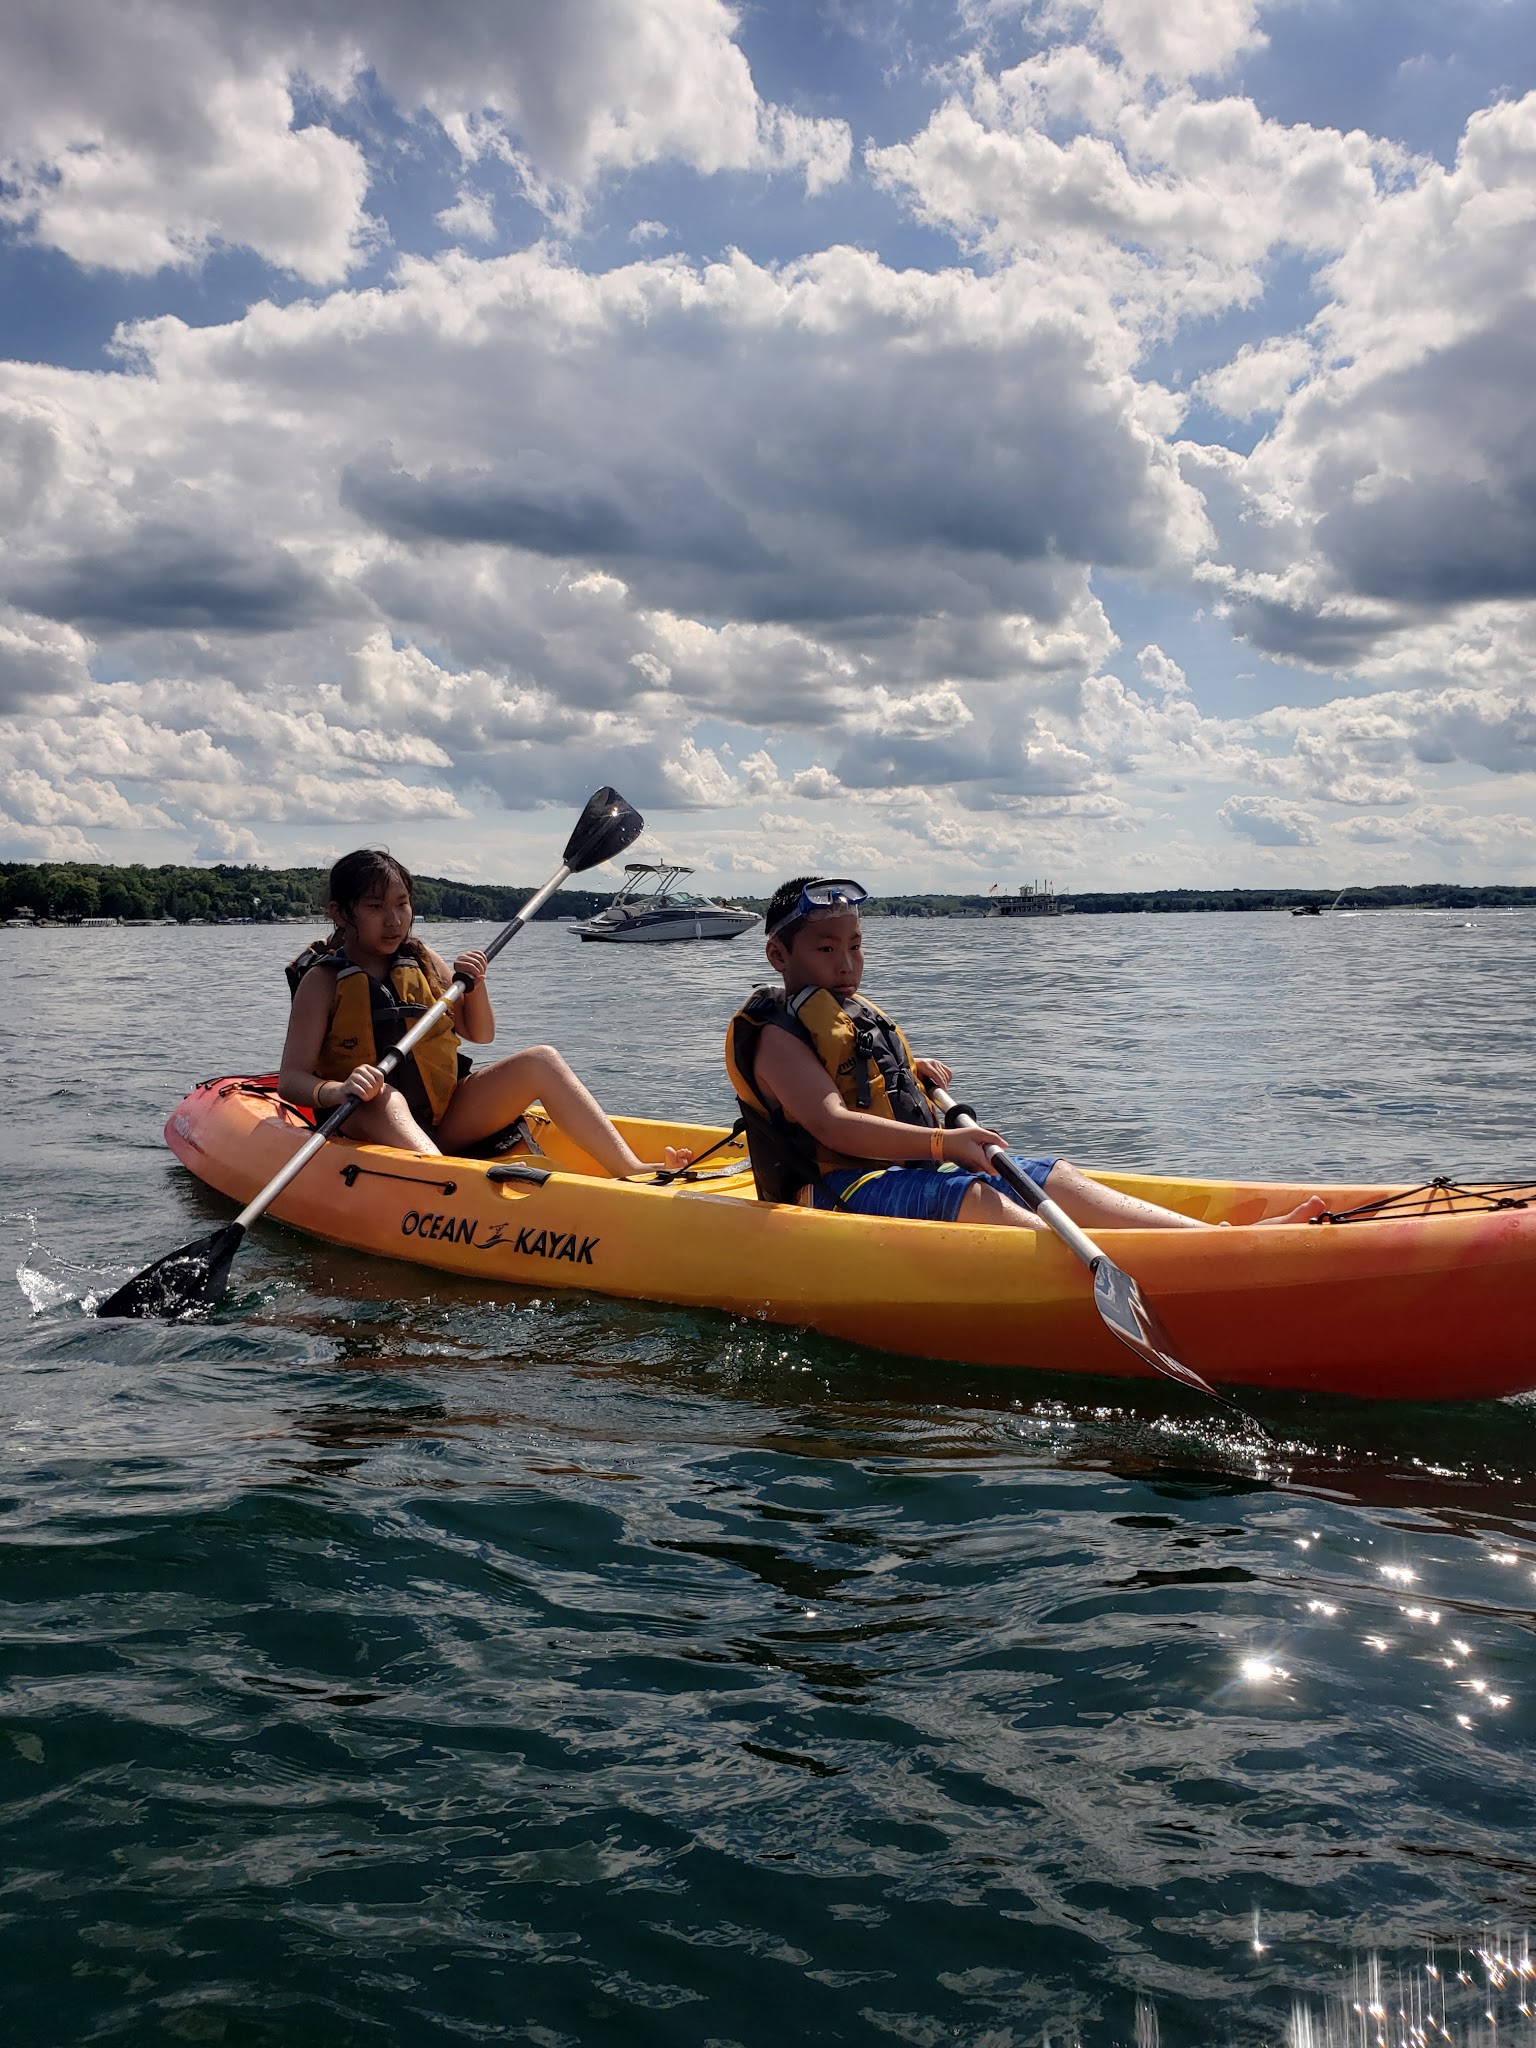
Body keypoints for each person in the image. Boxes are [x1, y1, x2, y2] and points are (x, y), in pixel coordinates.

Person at [725, 875, 1324, 1230]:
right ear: (781, 957)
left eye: (855, 946)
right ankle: (1129, 1273)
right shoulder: (777, 1036)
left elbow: (859, 1075)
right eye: (828, 949)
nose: (848, 963)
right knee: (981, 1194)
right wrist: (945, 1143)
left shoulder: (846, 1016)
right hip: (834, 1192)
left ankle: (1210, 1242)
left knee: (1051, 1175)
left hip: (901, 1169)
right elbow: (832, 1122)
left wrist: (912, 1069)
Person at [280, 848, 687, 1176]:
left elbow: (481, 1034)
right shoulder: (324, 981)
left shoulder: (421, 960)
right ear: (340, 912)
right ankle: (450, 1183)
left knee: (540, 1060)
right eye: (375, 907)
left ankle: (630, 1168)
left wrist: (476, 987)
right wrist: (339, 1090)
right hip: (367, 1117)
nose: (394, 920)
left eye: (402, 904)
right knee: (386, 1099)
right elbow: (291, 1080)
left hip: (444, 1117)